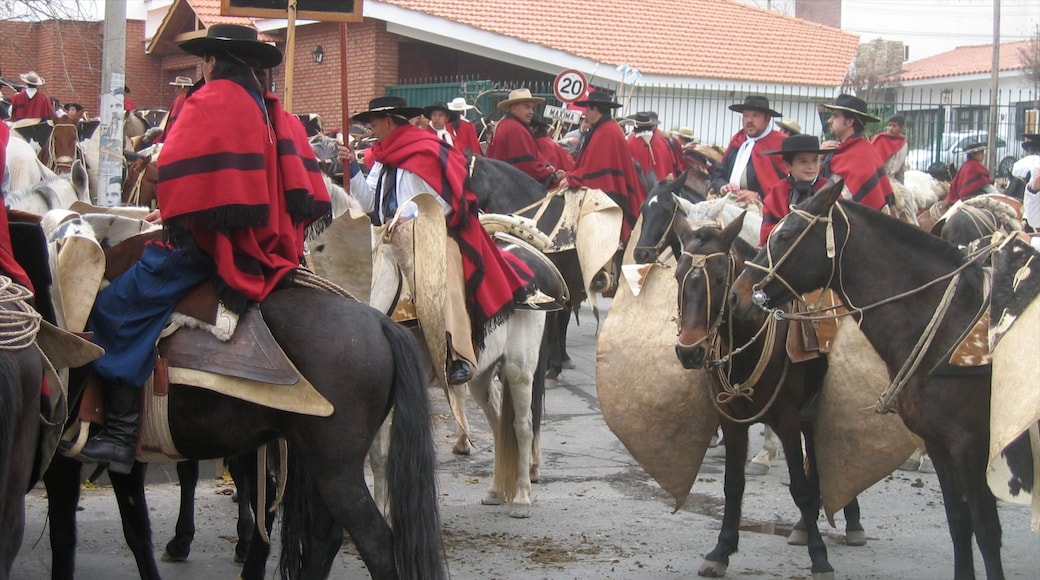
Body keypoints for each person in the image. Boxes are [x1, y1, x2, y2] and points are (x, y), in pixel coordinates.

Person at [67, 24, 332, 474]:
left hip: (210, 246)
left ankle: (119, 431)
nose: (201, 69)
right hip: (267, 242)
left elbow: (178, 167)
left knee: (115, 307)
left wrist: (172, 214)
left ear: (213, 61)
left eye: (202, 60)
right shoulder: (272, 110)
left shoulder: (209, 100)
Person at [339, 95, 535, 385]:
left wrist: (415, 219)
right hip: (388, 236)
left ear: (391, 121)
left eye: (375, 122)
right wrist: (352, 169)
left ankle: (458, 354)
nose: (371, 129)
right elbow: (369, 202)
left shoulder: (426, 150)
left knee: (443, 281)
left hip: (432, 233)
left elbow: (447, 201)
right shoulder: (382, 157)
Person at [558, 90, 646, 243]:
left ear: (595, 109)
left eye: (588, 109)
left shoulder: (607, 132)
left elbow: (597, 169)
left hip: (608, 197)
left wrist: (572, 178)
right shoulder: (604, 128)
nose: (585, 114)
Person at [819, 93, 893, 210]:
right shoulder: (834, 149)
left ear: (849, 122)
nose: (830, 120)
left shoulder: (863, 154)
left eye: (835, 116)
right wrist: (819, 157)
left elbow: (857, 200)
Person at [709, 95, 787, 205]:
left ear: (767, 118)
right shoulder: (738, 141)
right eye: (746, 116)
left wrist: (758, 195)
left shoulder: (780, 143)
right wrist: (724, 186)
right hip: (728, 201)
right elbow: (718, 175)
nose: (750, 120)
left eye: (756, 116)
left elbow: (785, 184)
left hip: (761, 207)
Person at [759, 134, 829, 245]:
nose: (811, 166)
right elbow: (767, 232)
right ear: (788, 165)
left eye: (815, 160)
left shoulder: (828, 189)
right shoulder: (778, 192)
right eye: (803, 161)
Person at [486, 88, 564, 187]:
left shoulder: (505, 124)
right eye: (527, 107)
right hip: (512, 190)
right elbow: (527, 166)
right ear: (513, 108)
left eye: (532, 108)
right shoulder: (515, 129)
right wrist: (552, 176)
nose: (531, 111)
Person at [627, 112, 678, 182]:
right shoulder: (664, 143)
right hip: (661, 189)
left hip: (638, 189)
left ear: (635, 126)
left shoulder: (628, 144)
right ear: (651, 126)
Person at [870, 114, 909, 184]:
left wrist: (902, 185)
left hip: (892, 180)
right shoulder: (880, 139)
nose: (891, 128)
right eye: (889, 125)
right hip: (877, 178)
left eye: (894, 126)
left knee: (907, 194)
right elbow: (871, 162)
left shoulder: (904, 144)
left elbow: (900, 170)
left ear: (902, 128)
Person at [158, 75, 197, 142]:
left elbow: (174, 121)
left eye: (177, 87)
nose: (176, 90)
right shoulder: (195, 98)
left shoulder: (180, 99)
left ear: (183, 87)